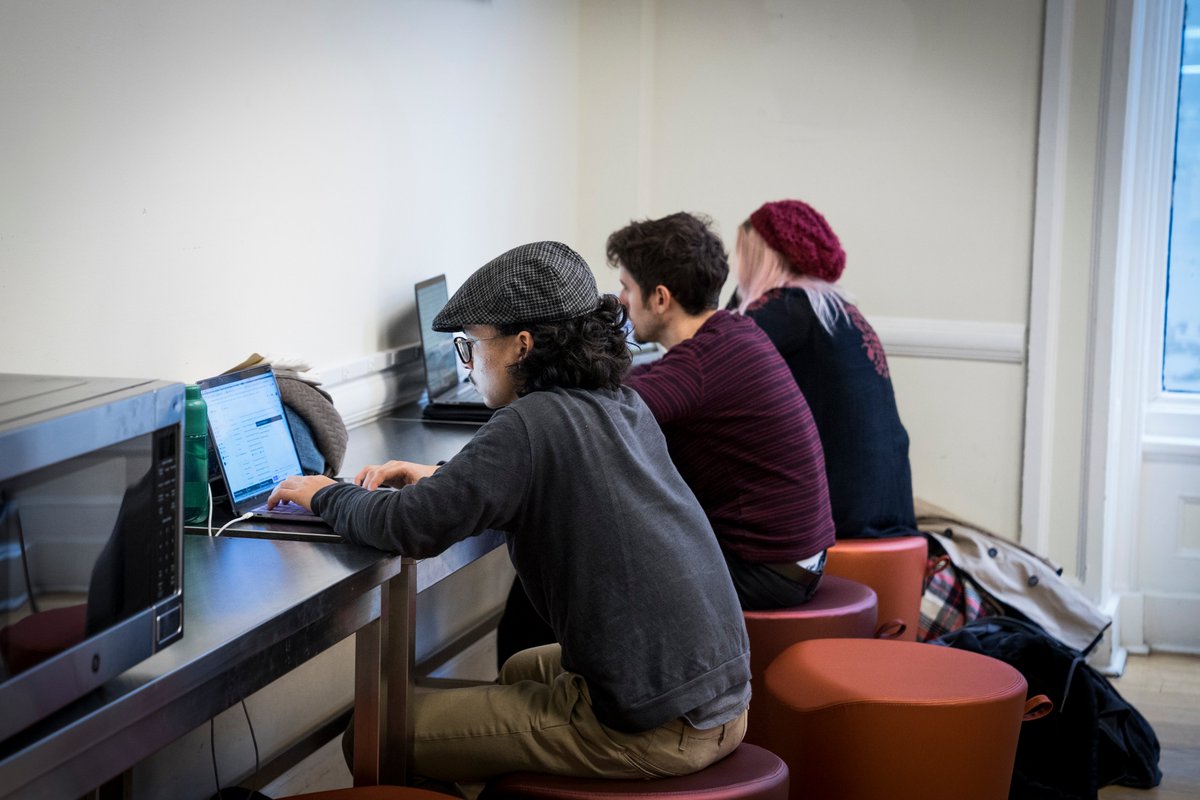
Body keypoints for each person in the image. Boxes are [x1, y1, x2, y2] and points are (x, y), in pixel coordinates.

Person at [267, 241, 750, 784]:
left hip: (655, 726)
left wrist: (322, 493)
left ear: (521, 346)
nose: (469, 364)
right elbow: (553, 480)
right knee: (522, 668)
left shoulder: (529, 422)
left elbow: (405, 526)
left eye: (472, 346)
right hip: (718, 695)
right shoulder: (620, 403)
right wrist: (446, 477)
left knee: (372, 733)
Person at [610, 212, 835, 610]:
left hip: (766, 573)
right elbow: (652, 381)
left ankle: (538, 670)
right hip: (797, 561)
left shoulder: (698, 365)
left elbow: (605, 411)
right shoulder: (735, 332)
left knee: (582, 558)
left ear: (660, 298)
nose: (622, 301)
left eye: (626, 287)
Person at [733, 199, 916, 538]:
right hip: (890, 516)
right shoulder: (838, 308)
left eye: (744, 254)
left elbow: (712, 355)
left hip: (845, 523)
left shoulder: (785, 310)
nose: (738, 267)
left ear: (764, 257)